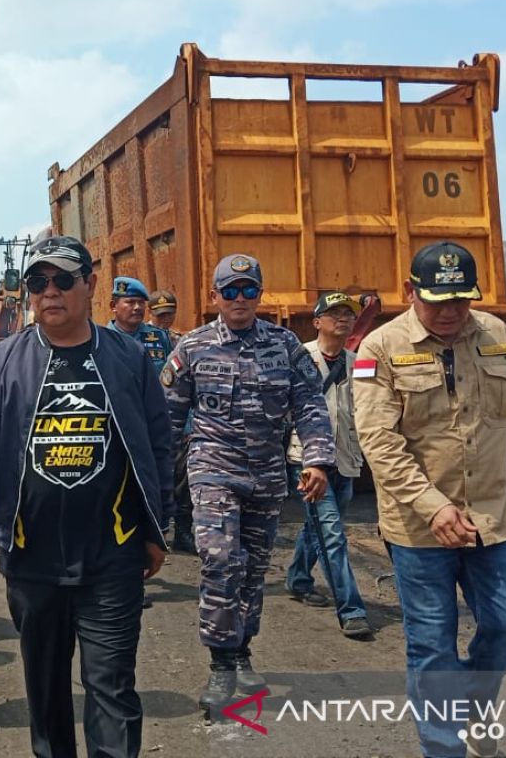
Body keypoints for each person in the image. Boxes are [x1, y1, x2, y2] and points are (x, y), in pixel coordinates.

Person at [0, 235, 171, 758]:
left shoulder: (128, 359)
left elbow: (158, 444)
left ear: (90, 285)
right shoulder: (4, 362)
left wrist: (160, 527)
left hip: (112, 556)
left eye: (63, 280)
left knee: (112, 688)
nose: (50, 292)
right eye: (38, 282)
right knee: (46, 693)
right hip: (32, 558)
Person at [354, 241, 506, 758]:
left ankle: (472, 699)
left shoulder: (495, 335)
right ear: (410, 292)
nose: (450, 312)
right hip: (418, 529)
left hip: (492, 518)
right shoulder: (379, 349)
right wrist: (434, 506)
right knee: (431, 647)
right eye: (436, 300)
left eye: (460, 300)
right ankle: (443, 747)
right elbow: (379, 442)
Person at [162, 253, 334, 715]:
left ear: (260, 294)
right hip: (213, 467)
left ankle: (241, 648)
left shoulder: (285, 346)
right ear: (214, 296)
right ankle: (220, 659)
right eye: (230, 291)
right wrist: (160, 487)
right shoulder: (192, 348)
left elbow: (310, 406)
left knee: (253, 570)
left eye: (249, 290)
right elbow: (168, 420)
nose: (240, 300)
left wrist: (317, 460)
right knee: (220, 559)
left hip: (267, 473)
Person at [283, 292, 373, 639]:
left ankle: (299, 579)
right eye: (334, 313)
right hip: (306, 459)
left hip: (347, 459)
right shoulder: (298, 357)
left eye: (348, 314)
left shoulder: (361, 362)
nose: (343, 319)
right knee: (332, 534)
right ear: (317, 321)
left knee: (316, 527)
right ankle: (351, 610)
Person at [150, 289, 194, 553]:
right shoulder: (144, 340)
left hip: (179, 421)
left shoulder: (181, 340)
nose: (166, 319)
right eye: (161, 314)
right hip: (151, 419)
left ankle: (183, 531)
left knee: (183, 478)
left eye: (170, 314)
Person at [108, 277, 172, 373]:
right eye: (130, 302)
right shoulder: (103, 339)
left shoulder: (160, 336)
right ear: (113, 306)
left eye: (141, 302)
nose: (137, 307)